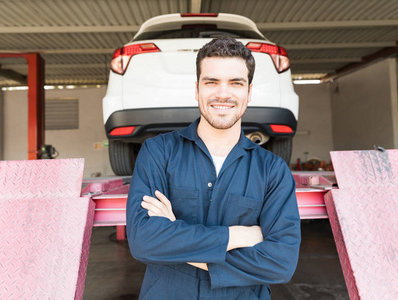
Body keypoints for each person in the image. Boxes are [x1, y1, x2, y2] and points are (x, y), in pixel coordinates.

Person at [126, 37, 301, 299]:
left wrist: (175, 235)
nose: (223, 94)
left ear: (249, 92)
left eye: (235, 83)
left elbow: (281, 263)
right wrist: (239, 235)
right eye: (211, 82)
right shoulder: (158, 152)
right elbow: (143, 241)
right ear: (197, 89)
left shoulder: (272, 170)